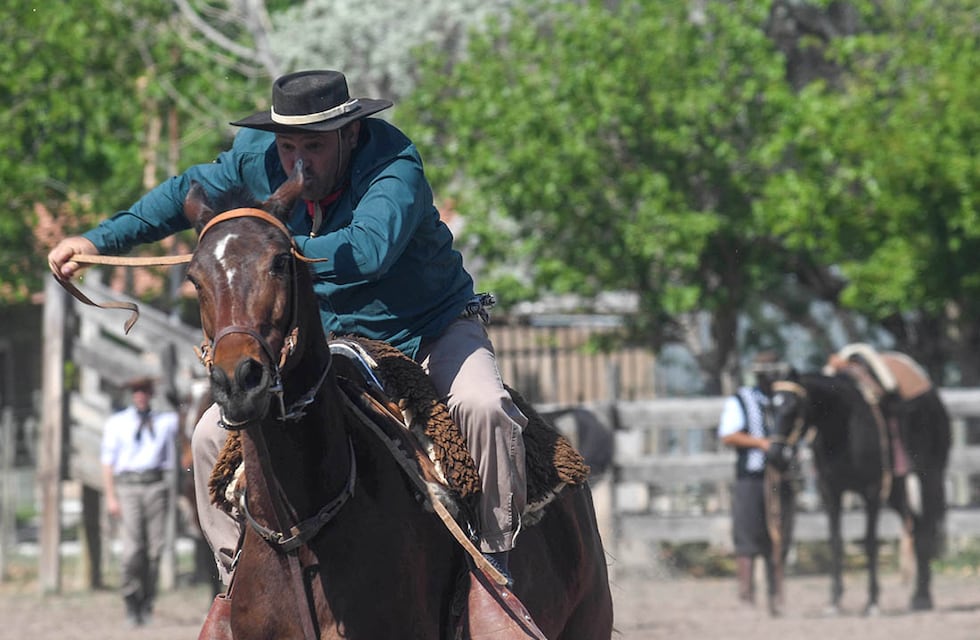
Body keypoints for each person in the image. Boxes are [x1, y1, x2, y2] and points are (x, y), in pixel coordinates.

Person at [49, 70, 528, 591]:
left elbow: (368, 252)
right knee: (209, 435)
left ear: (349, 134)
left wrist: (268, 251)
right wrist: (97, 240)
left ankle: (497, 566)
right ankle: (237, 582)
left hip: (428, 331)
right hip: (332, 337)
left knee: (483, 407)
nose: (298, 161)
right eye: (288, 143)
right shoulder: (256, 156)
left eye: (314, 145)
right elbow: (179, 195)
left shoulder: (395, 167)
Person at [100, 376, 179, 627]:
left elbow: (188, 421)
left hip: (156, 486)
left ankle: (147, 602)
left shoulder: (166, 422)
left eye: (145, 391)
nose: (141, 395)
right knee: (133, 550)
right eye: (136, 391)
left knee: (155, 550)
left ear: (151, 394)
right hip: (128, 487)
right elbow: (107, 463)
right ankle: (131, 600)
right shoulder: (117, 423)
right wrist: (111, 496)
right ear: (131, 395)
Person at [716, 351, 791, 610]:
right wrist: (761, 444)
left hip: (781, 479)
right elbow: (728, 434)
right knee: (747, 535)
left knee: (779, 536)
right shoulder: (742, 399)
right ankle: (746, 596)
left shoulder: (786, 401)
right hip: (751, 478)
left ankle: (776, 596)